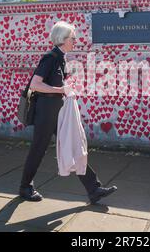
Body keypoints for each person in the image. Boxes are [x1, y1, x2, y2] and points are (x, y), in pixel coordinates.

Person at [19, 21, 117, 204]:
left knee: (72, 146)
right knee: (38, 149)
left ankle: (94, 189)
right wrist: (60, 90)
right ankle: (25, 187)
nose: (75, 41)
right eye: (73, 38)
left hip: (58, 110)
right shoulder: (51, 57)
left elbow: (55, 83)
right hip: (46, 111)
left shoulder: (61, 57)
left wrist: (66, 87)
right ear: (63, 39)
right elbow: (35, 84)